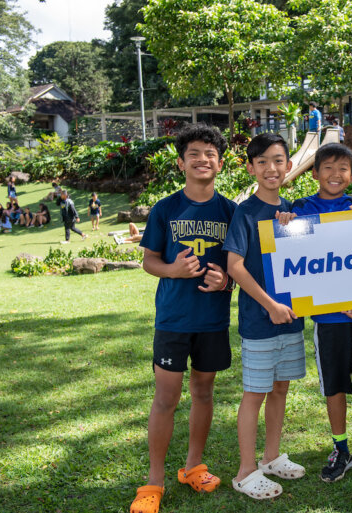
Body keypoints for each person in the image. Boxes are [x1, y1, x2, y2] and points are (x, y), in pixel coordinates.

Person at [130, 124, 238, 513]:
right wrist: (173, 270)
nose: (202, 160)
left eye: (210, 154)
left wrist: (226, 282)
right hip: (173, 320)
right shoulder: (166, 209)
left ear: (220, 164)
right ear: (181, 163)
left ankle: (193, 467)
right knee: (166, 397)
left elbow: (239, 267)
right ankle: (153, 482)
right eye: (194, 154)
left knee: (204, 392)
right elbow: (150, 261)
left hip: (212, 321)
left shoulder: (231, 212)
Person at [286, 143, 352, 484]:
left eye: (343, 168)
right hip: (328, 320)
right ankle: (341, 449)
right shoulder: (302, 210)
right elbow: (296, 260)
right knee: (334, 387)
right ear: (315, 173)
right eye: (328, 167)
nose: (335, 174)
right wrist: (285, 223)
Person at [223, 133, 307, 499]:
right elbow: (234, 266)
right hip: (260, 321)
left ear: (289, 165)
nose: (271, 168)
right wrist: (270, 305)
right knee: (255, 393)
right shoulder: (245, 212)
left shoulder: (291, 210)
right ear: (250, 168)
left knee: (280, 388)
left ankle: (271, 457)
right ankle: (245, 471)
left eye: (277, 160)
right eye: (262, 162)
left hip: (291, 318)